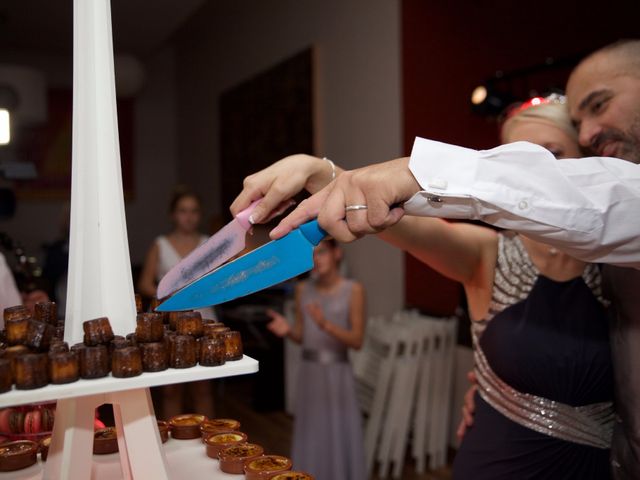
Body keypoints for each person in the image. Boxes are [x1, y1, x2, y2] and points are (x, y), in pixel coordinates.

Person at [234, 40, 640, 478]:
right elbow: (396, 219)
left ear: (584, 165)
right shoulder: (487, 255)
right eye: (517, 162)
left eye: (551, 158)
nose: (529, 179)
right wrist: (322, 173)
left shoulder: (621, 261)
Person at [266, 238, 366, 480]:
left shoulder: (353, 290)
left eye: (321, 252)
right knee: (312, 434)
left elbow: (357, 340)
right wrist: (287, 330)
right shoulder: (303, 290)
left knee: (338, 434)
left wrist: (326, 325)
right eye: (311, 255)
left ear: (337, 253)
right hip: (310, 373)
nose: (316, 260)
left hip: (337, 374)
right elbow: (302, 336)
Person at [138, 186, 215, 418]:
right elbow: (144, 283)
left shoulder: (209, 243)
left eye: (194, 211)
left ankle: (209, 439)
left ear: (200, 215)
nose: (188, 216)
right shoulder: (160, 244)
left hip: (204, 316)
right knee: (171, 389)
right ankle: (175, 441)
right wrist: (170, 296)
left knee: (203, 387)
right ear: (173, 214)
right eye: (183, 211)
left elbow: (221, 281)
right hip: (171, 319)